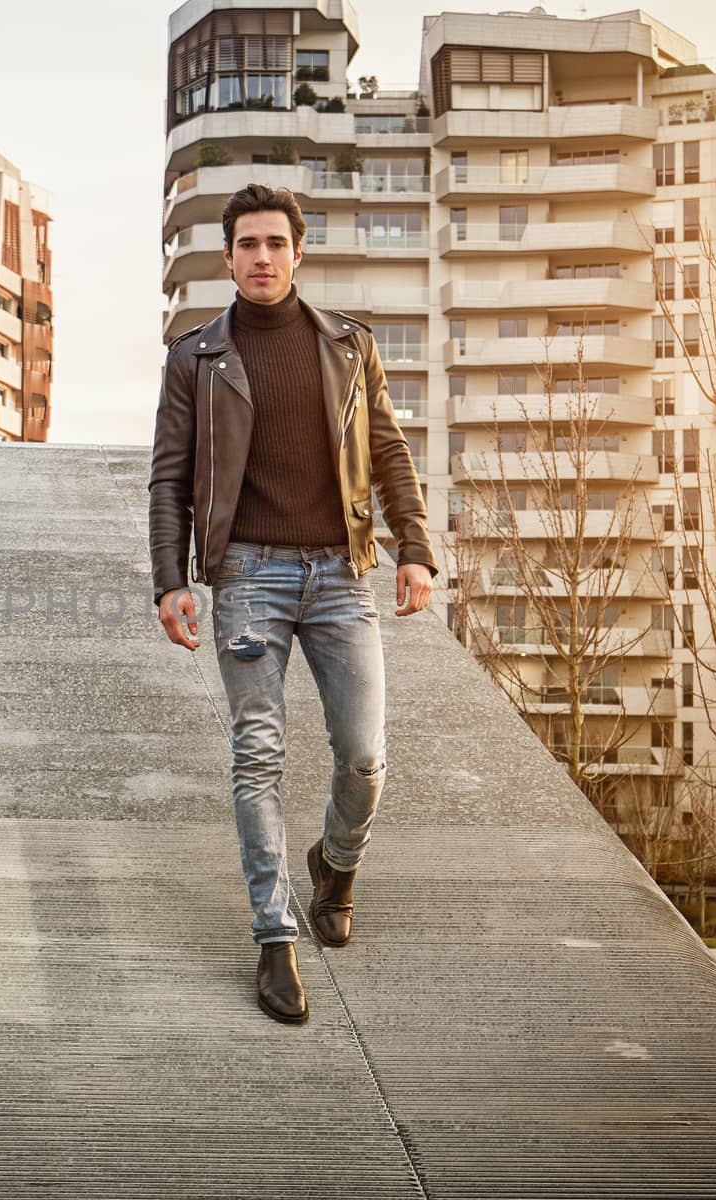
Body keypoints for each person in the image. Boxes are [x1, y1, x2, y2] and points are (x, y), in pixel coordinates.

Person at [147, 182, 438, 1024]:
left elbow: (388, 451)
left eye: (276, 242)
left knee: (364, 757)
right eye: (247, 244)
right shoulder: (195, 359)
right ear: (229, 256)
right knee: (258, 755)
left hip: (342, 576)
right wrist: (171, 577)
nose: (262, 257)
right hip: (246, 577)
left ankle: (336, 864)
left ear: (297, 252)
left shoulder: (350, 345)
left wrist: (415, 547)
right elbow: (170, 477)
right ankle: (275, 936)